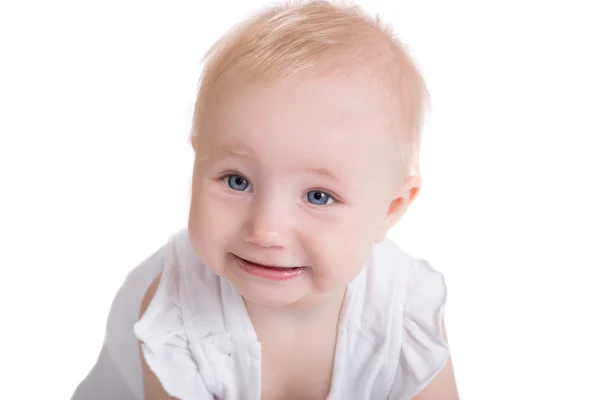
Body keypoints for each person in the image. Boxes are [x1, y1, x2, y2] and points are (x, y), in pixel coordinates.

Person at [73, 1, 459, 399]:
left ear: (390, 209)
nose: (266, 230)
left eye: (318, 196)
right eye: (237, 181)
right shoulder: (175, 312)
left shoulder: (405, 310)